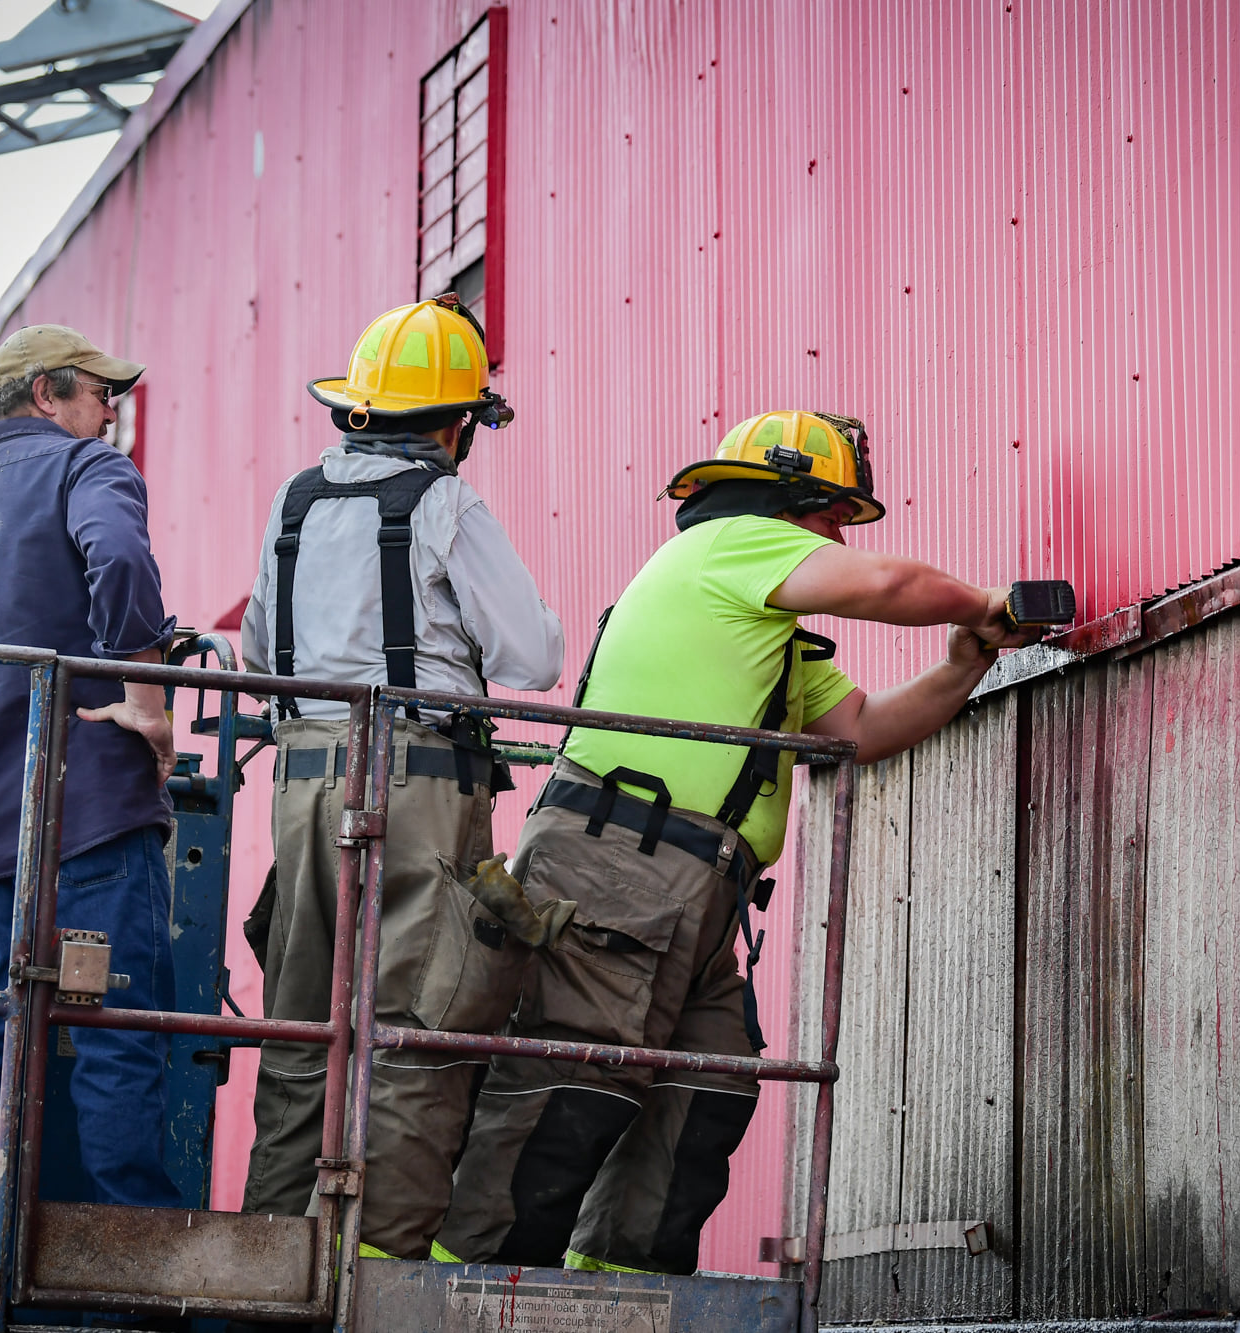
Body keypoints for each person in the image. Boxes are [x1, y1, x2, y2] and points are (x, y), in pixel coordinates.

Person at [437, 410, 1037, 1274]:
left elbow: (859, 729)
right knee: (572, 1084)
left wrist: (964, 661)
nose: (839, 538)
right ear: (785, 504)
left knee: (707, 1081)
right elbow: (884, 585)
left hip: (686, 888)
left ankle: (620, 1286)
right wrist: (988, 604)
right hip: (620, 863)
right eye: (833, 515)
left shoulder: (767, 634)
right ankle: (463, 1289)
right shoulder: (731, 544)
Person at [237, 295, 564, 1260]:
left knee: (304, 1026)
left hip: (301, 785)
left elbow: (262, 650)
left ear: (359, 406)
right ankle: (375, 1275)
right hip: (418, 784)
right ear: (458, 422)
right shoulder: (445, 501)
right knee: (419, 1026)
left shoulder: (294, 501)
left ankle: (266, 1266)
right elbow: (534, 657)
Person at [0, 324, 183, 1229]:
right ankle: (128, 1256)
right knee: (112, 1029)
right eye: (103, 394)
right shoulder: (86, 470)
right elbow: (124, 560)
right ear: (48, 394)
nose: (112, 413)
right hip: (90, 816)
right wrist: (140, 684)